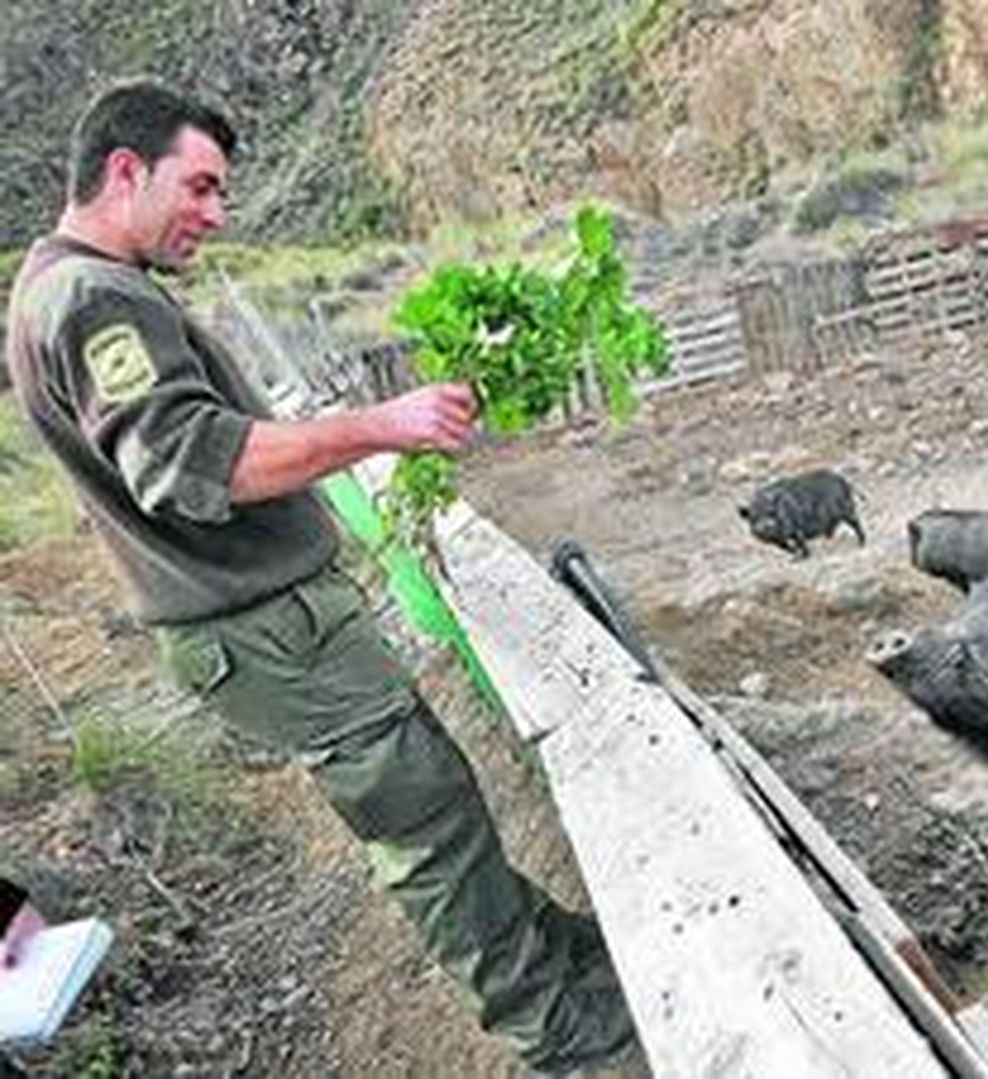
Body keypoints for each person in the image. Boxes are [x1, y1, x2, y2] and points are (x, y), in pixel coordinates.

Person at [3, 79, 638, 1076]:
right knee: (424, 825)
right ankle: (561, 1031)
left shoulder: (65, 287)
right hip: (268, 629)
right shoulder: (92, 299)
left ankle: (555, 960)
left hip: (272, 628)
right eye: (200, 185)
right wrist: (382, 424)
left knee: (433, 799)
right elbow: (192, 463)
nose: (216, 213)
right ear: (125, 170)